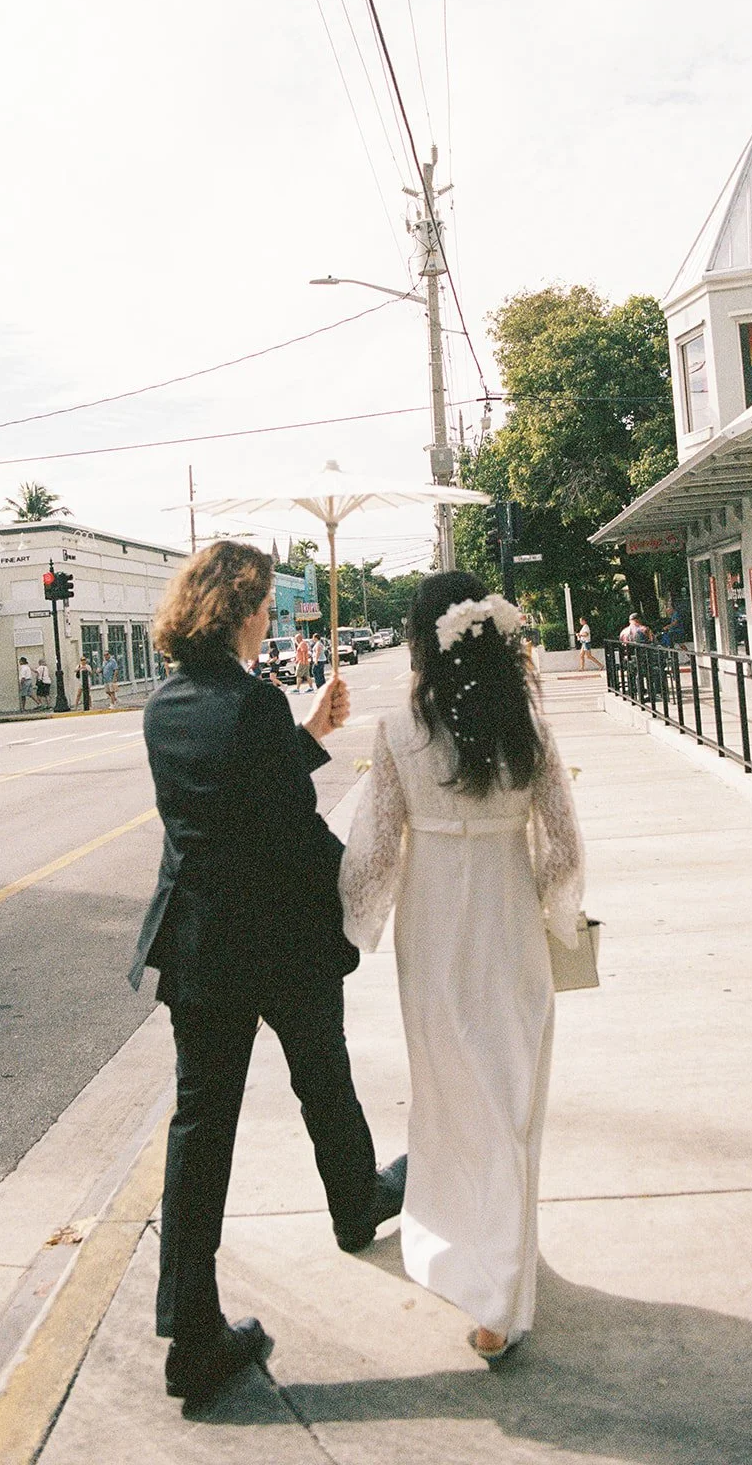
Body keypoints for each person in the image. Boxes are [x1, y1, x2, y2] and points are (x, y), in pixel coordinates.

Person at [130, 541, 404, 1410]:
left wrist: (311, 732)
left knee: (199, 1129)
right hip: (277, 941)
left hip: (201, 942)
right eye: (261, 608)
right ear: (240, 610)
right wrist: (360, 880)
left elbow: (236, 785)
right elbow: (288, 824)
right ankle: (355, 1203)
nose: (266, 621)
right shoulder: (252, 703)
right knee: (324, 1076)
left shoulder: (165, 704)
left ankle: (190, 1327)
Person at [339, 572, 583, 1363]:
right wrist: (555, 913)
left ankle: (486, 1273)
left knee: (449, 1096)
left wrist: (353, 925)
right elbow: (564, 848)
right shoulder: (529, 729)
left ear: (422, 639)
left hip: (435, 922)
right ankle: (505, 1271)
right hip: (508, 920)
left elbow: (374, 851)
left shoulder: (399, 729)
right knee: (510, 1095)